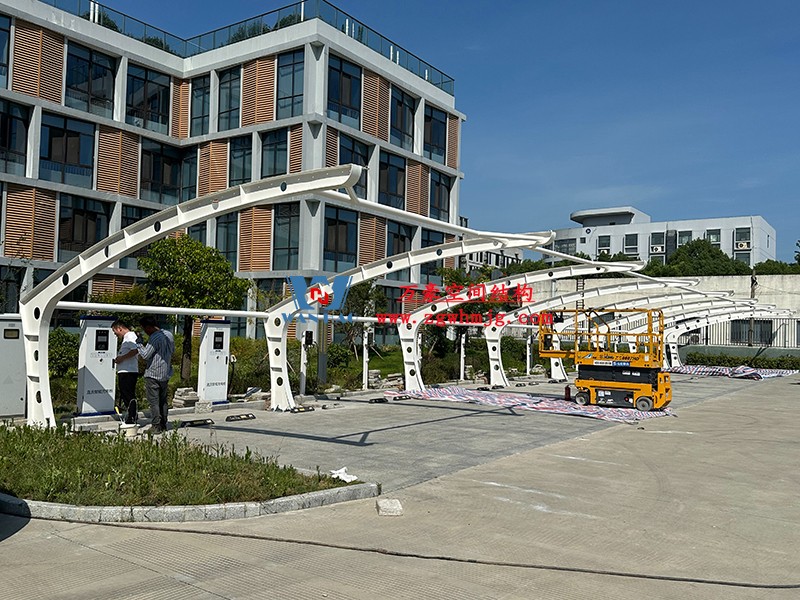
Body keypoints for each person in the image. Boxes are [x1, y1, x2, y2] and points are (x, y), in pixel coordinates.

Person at [136, 316, 175, 434]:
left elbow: (145, 355)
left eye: (144, 329)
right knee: (163, 400)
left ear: (149, 327)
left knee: (154, 401)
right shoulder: (169, 334)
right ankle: (163, 424)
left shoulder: (154, 337)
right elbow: (172, 351)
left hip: (153, 373)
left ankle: (156, 425)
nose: (145, 332)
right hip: (165, 372)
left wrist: (139, 343)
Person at [111, 320, 140, 425]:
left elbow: (135, 350)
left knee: (128, 394)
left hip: (128, 371)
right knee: (125, 394)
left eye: (115, 331)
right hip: (124, 371)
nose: (115, 334)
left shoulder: (130, 336)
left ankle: (132, 416)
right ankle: (131, 414)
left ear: (119, 328)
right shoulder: (126, 338)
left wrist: (122, 358)